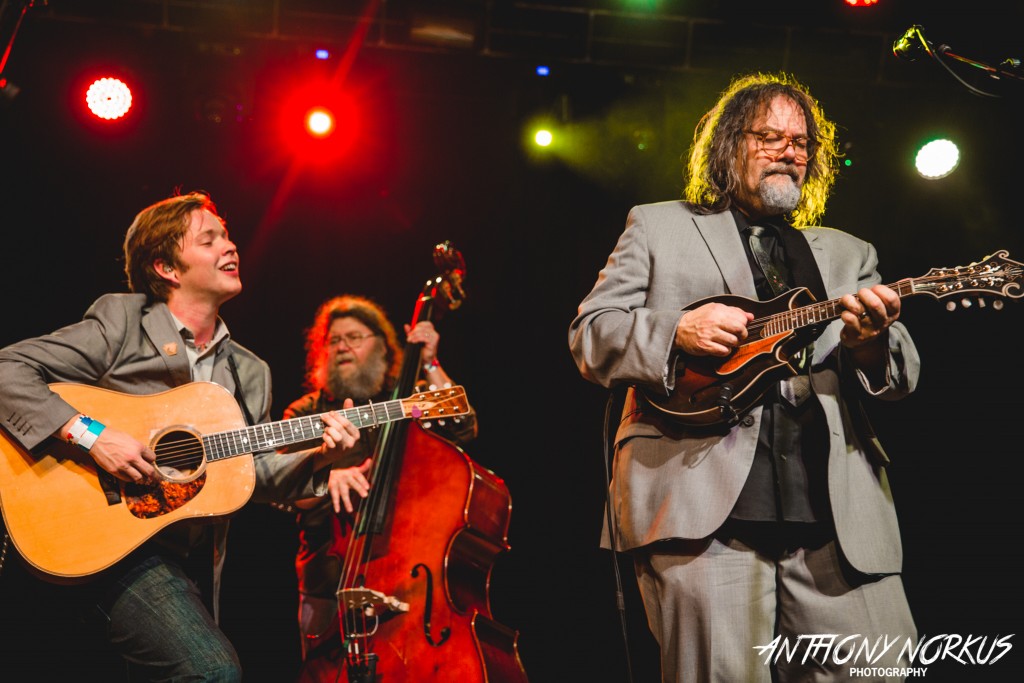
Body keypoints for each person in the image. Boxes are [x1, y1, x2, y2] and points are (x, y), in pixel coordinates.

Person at [568, 72, 920, 682]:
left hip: (838, 520)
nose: (789, 151)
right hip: (701, 516)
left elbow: (900, 372)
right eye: (769, 137)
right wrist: (677, 330)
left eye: (801, 142)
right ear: (730, 144)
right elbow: (591, 334)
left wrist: (869, 344)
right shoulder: (658, 225)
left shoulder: (849, 252)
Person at [0, 191, 362, 681]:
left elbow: (251, 472)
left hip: (172, 556)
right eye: (209, 240)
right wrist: (91, 435)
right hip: (92, 531)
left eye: (227, 237)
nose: (230, 246)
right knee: (211, 670)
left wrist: (320, 458)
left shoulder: (250, 371)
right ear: (167, 267)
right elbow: (7, 369)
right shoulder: (123, 322)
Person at [276, 294, 477, 668]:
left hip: (407, 577)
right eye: (334, 341)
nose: (342, 347)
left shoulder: (408, 400)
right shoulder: (306, 412)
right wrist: (328, 476)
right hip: (330, 583)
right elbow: (280, 485)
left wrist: (430, 361)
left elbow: (462, 426)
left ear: (383, 346)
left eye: (354, 337)